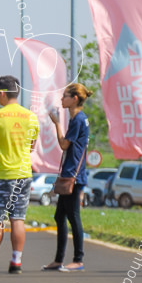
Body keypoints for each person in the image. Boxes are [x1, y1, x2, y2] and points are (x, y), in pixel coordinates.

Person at [0, 75, 40, 274]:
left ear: (2, 93)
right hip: (24, 175)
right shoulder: (31, 117)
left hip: (2, 176)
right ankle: (16, 262)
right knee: (18, 218)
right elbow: (31, 147)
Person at [43, 83, 92, 272]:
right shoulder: (76, 119)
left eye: (65, 96)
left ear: (75, 99)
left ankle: (78, 260)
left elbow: (64, 145)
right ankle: (58, 260)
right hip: (70, 174)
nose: (62, 99)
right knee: (59, 216)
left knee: (73, 216)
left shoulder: (78, 119)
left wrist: (56, 123)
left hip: (74, 176)